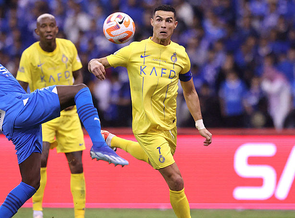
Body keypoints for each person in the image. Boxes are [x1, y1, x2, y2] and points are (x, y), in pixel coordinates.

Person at [0, 26, 128, 218]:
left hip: (15, 124)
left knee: (30, 182)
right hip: (19, 108)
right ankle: (99, 143)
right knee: (80, 90)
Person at [88, 5, 212, 218]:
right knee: (176, 179)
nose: (163, 24)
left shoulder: (181, 55)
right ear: (152, 22)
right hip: (146, 127)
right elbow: (99, 61)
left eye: (168, 21)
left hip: (169, 127)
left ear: (175, 25)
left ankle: (112, 140)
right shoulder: (134, 50)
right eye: (159, 20)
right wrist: (92, 63)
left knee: (152, 158)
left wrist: (199, 123)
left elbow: (190, 92)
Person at [15, 14, 85, 218]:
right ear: (37, 32)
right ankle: (37, 211)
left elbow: (78, 74)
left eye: (51, 25)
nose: (48, 29)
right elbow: (22, 87)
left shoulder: (69, 47)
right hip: (43, 115)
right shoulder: (29, 55)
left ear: (56, 29)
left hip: (68, 114)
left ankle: (79, 215)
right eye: (43, 26)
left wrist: (75, 94)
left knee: (77, 164)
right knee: (42, 159)